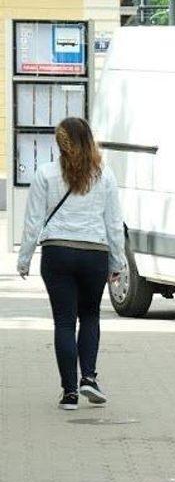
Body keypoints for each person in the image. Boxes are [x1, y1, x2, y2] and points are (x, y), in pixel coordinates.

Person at [16, 117, 126, 411]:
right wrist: (118, 262)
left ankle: (69, 393)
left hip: (57, 255)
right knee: (90, 316)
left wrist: (24, 259)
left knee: (64, 322)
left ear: (60, 144)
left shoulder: (46, 174)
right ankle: (88, 378)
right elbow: (114, 224)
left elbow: (33, 222)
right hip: (94, 254)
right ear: (89, 139)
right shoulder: (105, 176)